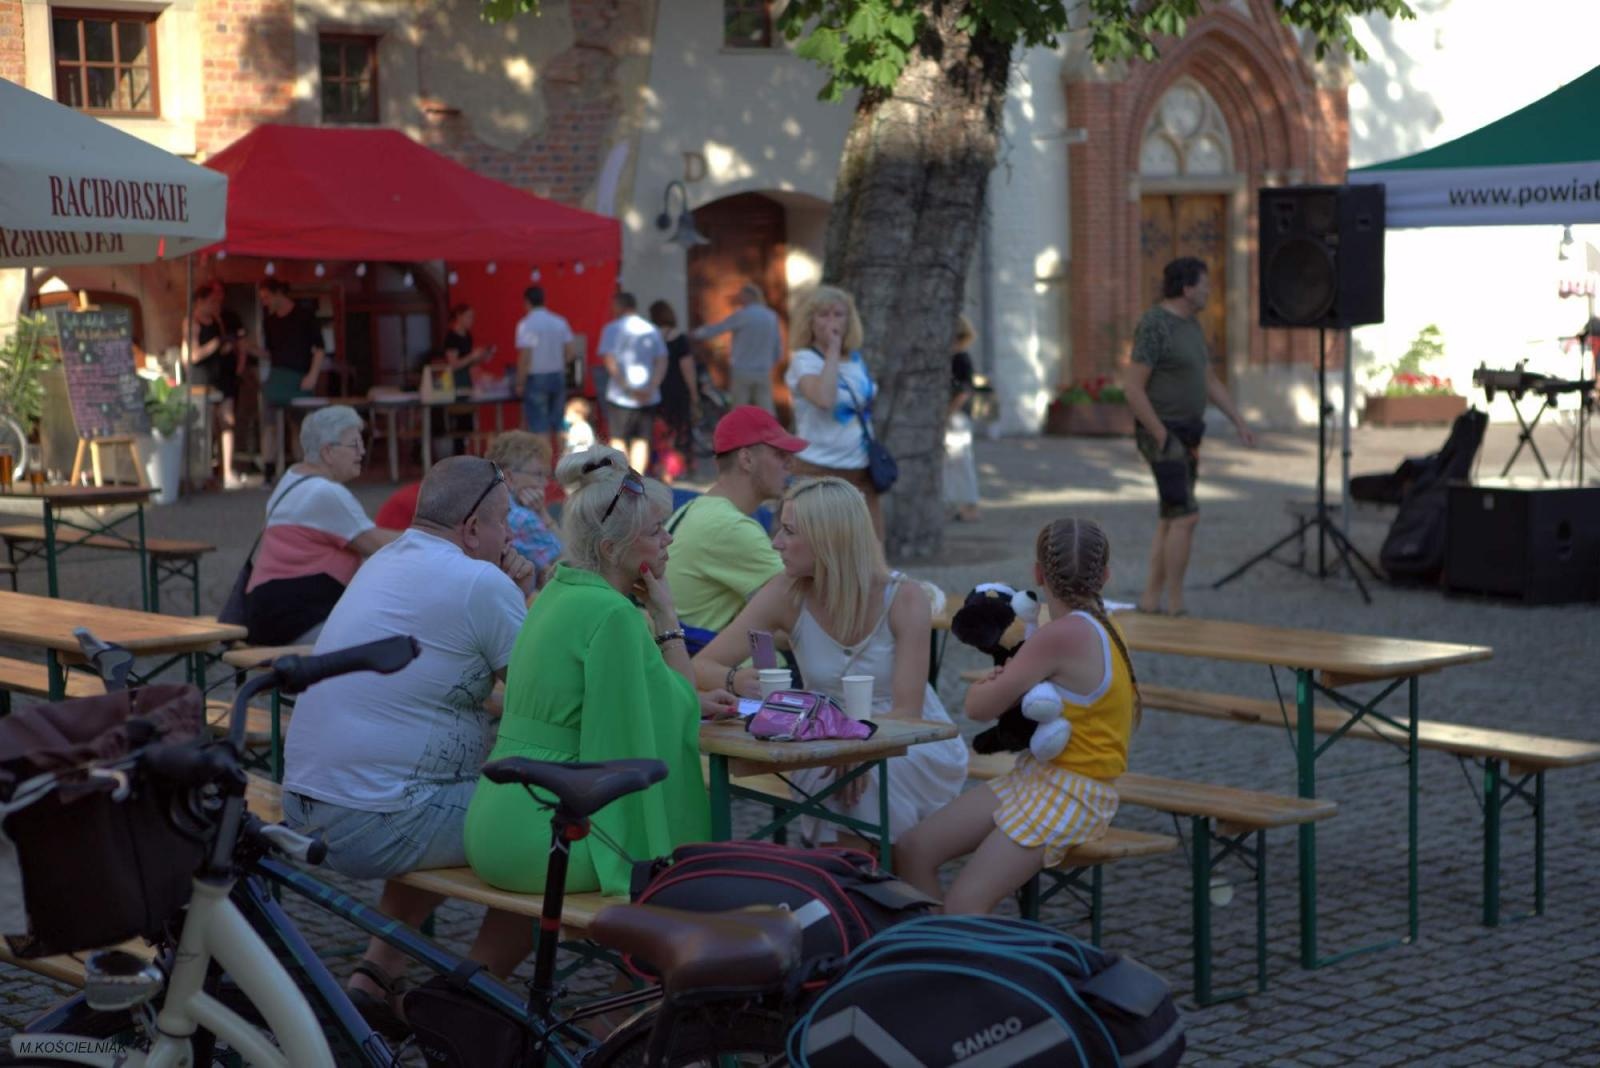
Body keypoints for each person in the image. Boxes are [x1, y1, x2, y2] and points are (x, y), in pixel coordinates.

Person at [281, 455, 537, 1035]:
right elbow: (543, 700)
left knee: (441, 795)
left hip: (307, 802)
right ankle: (466, 1004)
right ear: (472, 528)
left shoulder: (384, 560)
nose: (510, 536)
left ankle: (376, 973)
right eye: (504, 523)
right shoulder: (480, 581)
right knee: (549, 831)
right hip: (376, 817)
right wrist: (524, 589)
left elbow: (453, 690)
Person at [463, 447, 734, 974]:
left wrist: (681, 694)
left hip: (497, 818)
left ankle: (465, 1005)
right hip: (545, 828)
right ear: (613, 548)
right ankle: (623, 1023)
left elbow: (625, 700)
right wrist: (667, 615)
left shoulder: (558, 593)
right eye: (657, 531)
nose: (669, 539)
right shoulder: (613, 614)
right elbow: (672, 713)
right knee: (673, 880)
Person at [693, 477, 968, 848]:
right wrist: (736, 679)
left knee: (865, 786)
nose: (776, 542)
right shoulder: (785, 593)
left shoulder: (904, 598)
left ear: (828, 538)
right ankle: (864, 887)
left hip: (908, 741)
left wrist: (856, 748)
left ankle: (847, 889)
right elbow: (701, 665)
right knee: (846, 784)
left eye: (789, 531)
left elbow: (908, 712)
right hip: (820, 736)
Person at [896, 518, 1138, 914]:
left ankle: (958, 963)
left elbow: (979, 708)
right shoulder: (1105, 627)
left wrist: (985, 686)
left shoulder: (1059, 635)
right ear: (1106, 576)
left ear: (1038, 574)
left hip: (1073, 793)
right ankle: (937, 952)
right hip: (1038, 778)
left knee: (964, 905)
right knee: (912, 848)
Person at [1122, 256, 1255, 616]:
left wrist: (1239, 420)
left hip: (1189, 432)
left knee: (1171, 515)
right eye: (1204, 283)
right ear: (1186, 288)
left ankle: (1151, 600)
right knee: (1185, 516)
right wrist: (1161, 435)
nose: (1210, 290)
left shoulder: (1192, 326)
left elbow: (1209, 380)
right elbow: (1133, 388)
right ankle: (1176, 605)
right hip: (1164, 432)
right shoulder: (1154, 325)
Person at [242, 405, 399, 645]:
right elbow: (377, 544)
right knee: (396, 641)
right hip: (297, 616)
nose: (363, 451)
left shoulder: (292, 478)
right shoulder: (324, 492)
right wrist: (435, 536)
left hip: (268, 610)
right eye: (354, 444)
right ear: (327, 451)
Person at [665, 406, 806, 638]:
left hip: (691, 657)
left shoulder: (700, 507)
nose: (790, 465)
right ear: (746, 459)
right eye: (780, 454)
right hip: (710, 666)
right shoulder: (728, 526)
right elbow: (803, 609)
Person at [784, 285, 886, 540]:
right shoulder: (804, 360)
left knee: (869, 544)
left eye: (838, 314)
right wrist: (832, 350)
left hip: (860, 466)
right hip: (817, 467)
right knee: (817, 546)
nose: (832, 321)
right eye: (823, 314)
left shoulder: (855, 360)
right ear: (811, 321)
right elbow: (824, 398)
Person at [258, 278, 327, 477]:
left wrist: (312, 375)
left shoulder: (305, 316)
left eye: (267, 297)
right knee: (269, 423)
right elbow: (271, 353)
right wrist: (250, 349)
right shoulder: (269, 321)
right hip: (277, 376)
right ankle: (268, 471)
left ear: (279, 293)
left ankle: (302, 469)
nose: (265, 302)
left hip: (300, 377)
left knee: (299, 425)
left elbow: (319, 349)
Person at [598, 291, 668, 474]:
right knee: (642, 439)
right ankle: (637, 479)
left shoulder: (611, 329)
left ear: (620, 306)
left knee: (618, 438)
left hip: (620, 395)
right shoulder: (651, 329)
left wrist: (627, 388)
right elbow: (661, 360)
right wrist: (652, 386)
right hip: (648, 395)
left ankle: (621, 478)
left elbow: (609, 361)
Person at [485, 429, 562, 588]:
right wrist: (543, 514)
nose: (545, 483)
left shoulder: (486, 505)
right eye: (539, 474)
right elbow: (570, 563)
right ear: (510, 477)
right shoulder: (523, 517)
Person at [188, 282, 247, 488]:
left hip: (223, 376)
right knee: (207, 427)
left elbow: (231, 347)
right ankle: (205, 472)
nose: (216, 305)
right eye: (212, 301)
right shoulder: (192, 322)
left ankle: (227, 470)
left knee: (227, 422)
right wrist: (215, 345)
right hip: (202, 379)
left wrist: (228, 350)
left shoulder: (218, 320)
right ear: (201, 301)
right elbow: (192, 356)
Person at [691, 282, 782, 411]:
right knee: (766, 409)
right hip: (763, 371)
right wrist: (769, 363)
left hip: (742, 370)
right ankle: (771, 431)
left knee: (739, 410)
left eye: (742, 297)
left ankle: (739, 432)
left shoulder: (743, 315)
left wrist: (696, 334)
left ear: (749, 296)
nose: (740, 300)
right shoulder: (771, 316)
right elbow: (777, 347)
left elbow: (720, 328)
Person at [515, 286, 576, 434]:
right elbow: (570, 353)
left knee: (539, 427)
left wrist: (520, 382)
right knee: (559, 425)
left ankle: (544, 457)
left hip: (536, 378)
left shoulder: (526, 324)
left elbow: (525, 357)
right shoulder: (560, 321)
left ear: (527, 302)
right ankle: (562, 456)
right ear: (544, 300)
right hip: (558, 375)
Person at [650, 299, 698, 474]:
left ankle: (660, 465)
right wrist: (694, 393)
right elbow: (688, 368)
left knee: (660, 430)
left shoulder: (651, 338)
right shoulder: (680, 338)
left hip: (657, 388)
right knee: (680, 428)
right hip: (678, 389)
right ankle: (680, 466)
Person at [944, 314, 980, 522]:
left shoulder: (961, 358)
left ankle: (970, 504)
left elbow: (964, 391)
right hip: (952, 413)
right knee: (949, 461)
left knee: (961, 459)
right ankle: (953, 503)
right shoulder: (952, 357)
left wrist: (948, 412)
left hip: (957, 415)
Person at [438, 304, 493, 393]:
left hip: (467, 380)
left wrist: (481, 357)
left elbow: (469, 363)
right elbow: (453, 365)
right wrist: (472, 356)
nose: (471, 320)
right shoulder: (451, 337)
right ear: (459, 316)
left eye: (473, 317)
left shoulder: (468, 336)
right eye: (468, 317)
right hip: (455, 382)